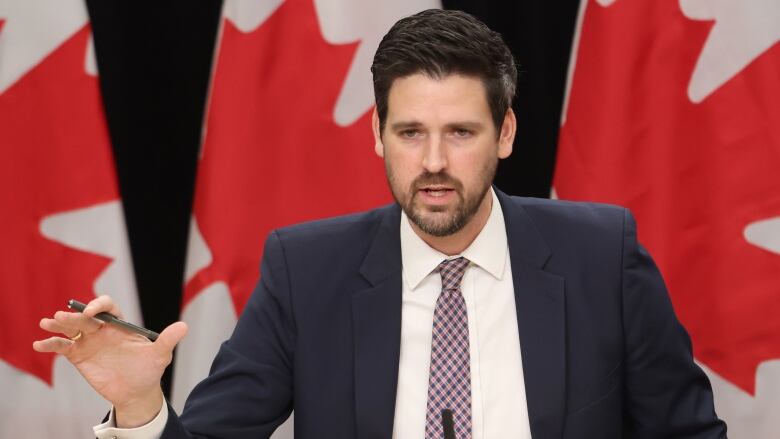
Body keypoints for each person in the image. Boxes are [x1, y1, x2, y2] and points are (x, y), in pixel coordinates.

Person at [33, 9, 727, 439]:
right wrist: (138, 407)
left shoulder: (602, 255)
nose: (432, 162)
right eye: (409, 132)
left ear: (506, 132)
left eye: (460, 131)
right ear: (376, 132)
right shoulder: (307, 271)